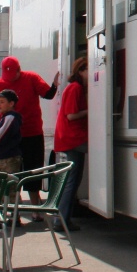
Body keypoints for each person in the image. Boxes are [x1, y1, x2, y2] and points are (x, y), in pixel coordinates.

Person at [0, 57, 58, 213]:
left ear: (19, 69)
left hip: (32, 132)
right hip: (11, 136)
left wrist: (55, 85)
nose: (10, 79)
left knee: (33, 170)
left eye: (13, 75)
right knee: (10, 172)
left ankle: (35, 208)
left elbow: (47, 94)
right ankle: (14, 209)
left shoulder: (31, 77)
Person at [53, 57, 87, 231]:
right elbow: (71, 115)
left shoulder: (73, 88)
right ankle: (62, 220)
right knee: (73, 180)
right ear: (81, 71)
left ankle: (62, 218)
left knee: (72, 179)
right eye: (89, 70)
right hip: (74, 138)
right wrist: (92, 109)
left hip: (69, 138)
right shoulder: (76, 88)